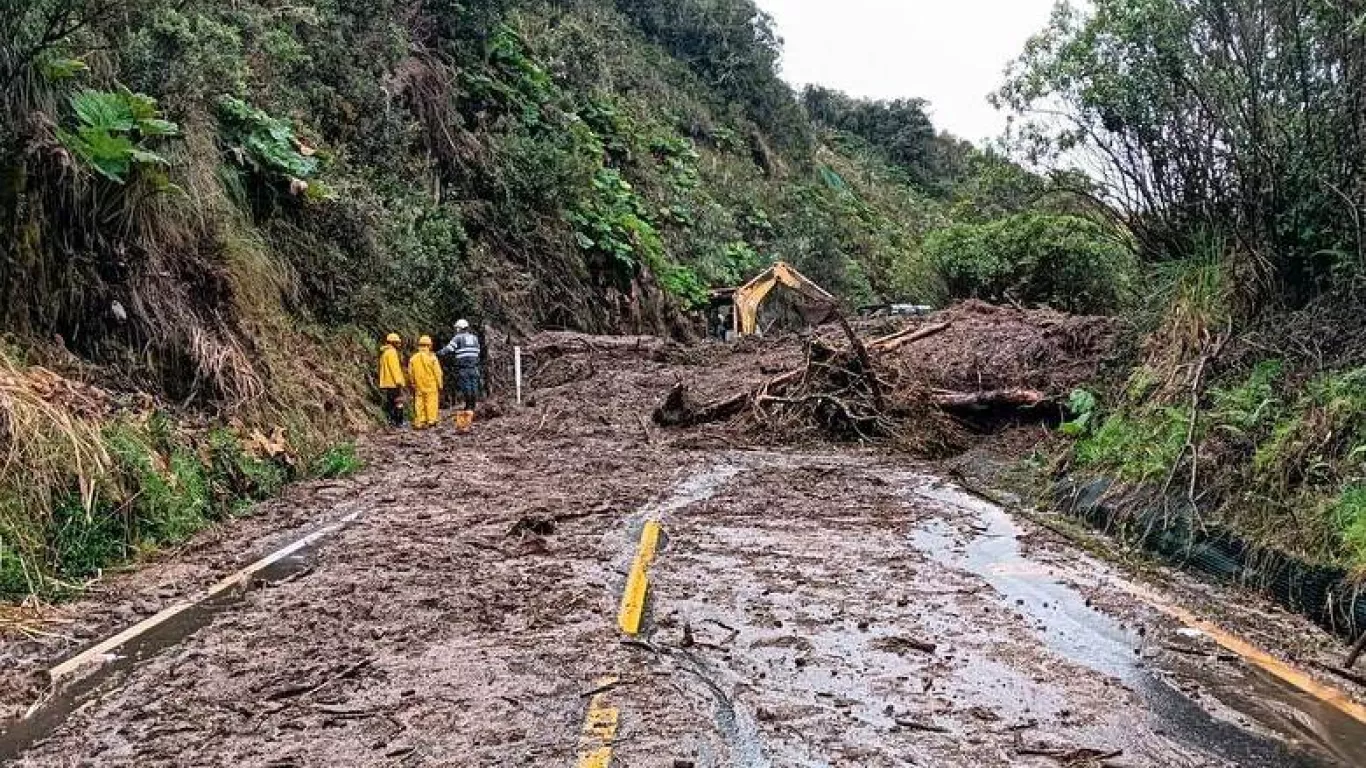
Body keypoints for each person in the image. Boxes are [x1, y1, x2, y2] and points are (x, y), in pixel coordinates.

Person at [437, 319, 482, 413]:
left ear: (459, 328)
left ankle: (468, 407)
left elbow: (449, 349)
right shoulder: (474, 338)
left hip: (463, 367)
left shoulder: (458, 338)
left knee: (466, 386)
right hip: (474, 366)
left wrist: (438, 353)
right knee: (474, 385)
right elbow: (478, 351)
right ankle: (473, 406)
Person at [408, 335, 444, 429]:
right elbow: (438, 372)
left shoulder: (413, 358)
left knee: (419, 403)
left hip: (419, 385)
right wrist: (440, 384)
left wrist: (412, 383)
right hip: (431, 385)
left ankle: (420, 422)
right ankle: (431, 421)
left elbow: (410, 373)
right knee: (431, 402)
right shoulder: (432, 357)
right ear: (429, 345)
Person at [378, 333, 406, 427]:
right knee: (399, 401)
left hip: (387, 382)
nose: (399, 345)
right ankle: (399, 422)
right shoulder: (392, 352)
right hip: (394, 383)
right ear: (393, 343)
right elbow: (394, 368)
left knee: (390, 402)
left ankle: (391, 421)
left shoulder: (384, 352)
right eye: (397, 343)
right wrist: (399, 381)